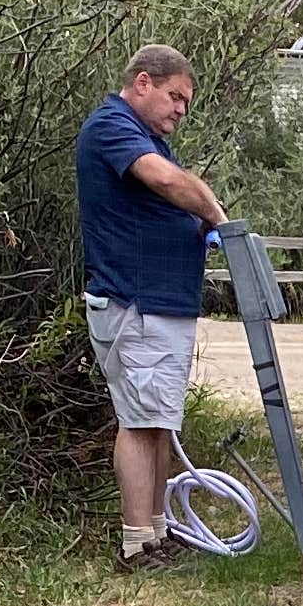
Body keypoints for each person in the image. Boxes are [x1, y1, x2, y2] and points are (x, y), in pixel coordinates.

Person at [75, 45, 233, 563]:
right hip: (135, 302)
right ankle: (134, 542)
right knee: (140, 421)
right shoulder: (112, 126)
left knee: (158, 420)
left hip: (160, 305)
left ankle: (158, 533)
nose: (181, 110)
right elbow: (164, 181)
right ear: (143, 82)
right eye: (175, 97)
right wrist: (215, 215)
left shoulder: (146, 136)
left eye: (186, 102)